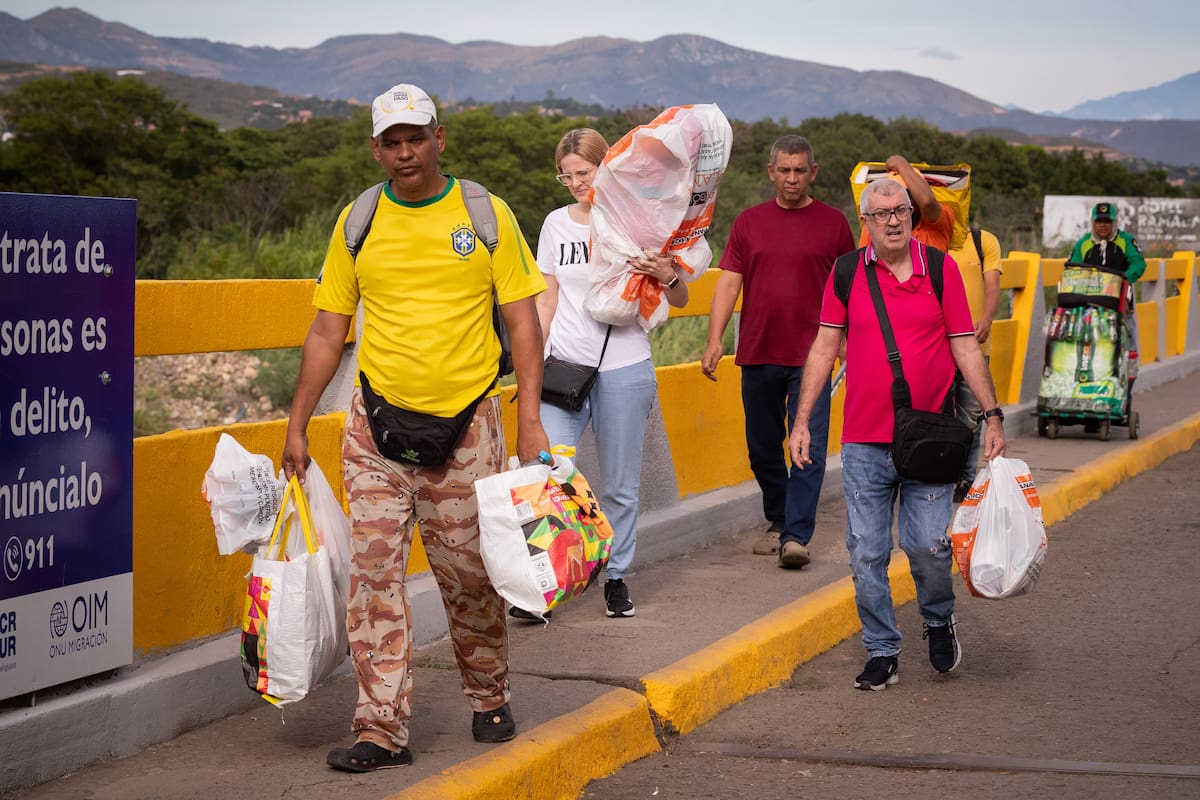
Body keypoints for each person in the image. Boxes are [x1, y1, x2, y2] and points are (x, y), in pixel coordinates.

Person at [280, 83, 549, 772]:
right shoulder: (359, 220)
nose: (405, 153)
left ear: (439, 138)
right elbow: (325, 328)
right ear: (376, 148)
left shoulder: (485, 215)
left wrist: (529, 422)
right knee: (372, 579)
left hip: (467, 428)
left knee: (467, 577)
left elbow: (523, 319)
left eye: (416, 138)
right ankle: (380, 729)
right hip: (375, 428)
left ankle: (489, 692)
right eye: (391, 142)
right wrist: (297, 423)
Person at [789, 177, 1007, 691]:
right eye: (881, 213)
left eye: (901, 211)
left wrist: (993, 415)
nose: (892, 220)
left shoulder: (940, 269)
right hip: (864, 441)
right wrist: (801, 421)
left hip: (930, 438)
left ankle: (937, 618)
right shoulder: (847, 273)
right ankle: (882, 650)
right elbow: (824, 349)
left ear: (912, 216)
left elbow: (965, 347)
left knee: (929, 544)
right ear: (864, 221)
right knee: (866, 550)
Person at [521, 127, 687, 620]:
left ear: (606, 168)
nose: (575, 183)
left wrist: (666, 274)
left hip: (624, 368)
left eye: (584, 173)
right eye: (567, 175)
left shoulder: (638, 221)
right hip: (563, 368)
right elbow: (545, 299)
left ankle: (615, 576)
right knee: (544, 476)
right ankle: (541, 584)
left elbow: (678, 296)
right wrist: (532, 367)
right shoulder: (555, 225)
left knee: (619, 485)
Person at [701, 135, 855, 568]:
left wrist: (848, 342)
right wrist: (715, 339)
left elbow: (850, 289)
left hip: (814, 357)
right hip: (759, 349)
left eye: (800, 170)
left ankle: (795, 536)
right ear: (771, 172)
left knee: (808, 445)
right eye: (784, 170)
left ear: (813, 172)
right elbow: (728, 281)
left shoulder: (833, 224)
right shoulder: (749, 222)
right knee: (762, 446)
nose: (792, 178)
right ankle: (779, 517)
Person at [1068, 200, 1146, 401]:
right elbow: (1072, 268)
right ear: (1093, 222)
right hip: (1088, 310)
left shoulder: (1126, 241)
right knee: (1088, 354)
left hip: (1121, 309)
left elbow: (1139, 264)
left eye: (1107, 221)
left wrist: (1123, 278)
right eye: (1099, 221)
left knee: (1128, 353)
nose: (1103, 225)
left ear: (1114, 222)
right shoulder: (1083, 243)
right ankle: (1087, 399)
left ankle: (1124, 397)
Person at [949, 226, 1003, 501]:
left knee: (971, 415)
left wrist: (987, 318)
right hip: (938, 346)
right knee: (942, 413)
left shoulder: (983, 241)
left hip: (976, 343)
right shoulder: (928, 237)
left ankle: (966, 478)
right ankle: (945, 475)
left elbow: (993, 285)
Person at [858, 155, 956, 251]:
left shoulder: (936, 223)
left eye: (907, 195)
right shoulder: (874, 224)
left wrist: (900, 163)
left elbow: (927, 202)